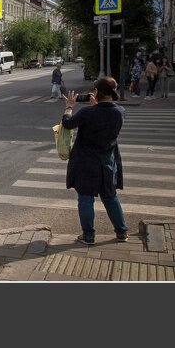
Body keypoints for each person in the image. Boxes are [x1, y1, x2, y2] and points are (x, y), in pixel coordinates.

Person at [61, 76, 128, 245]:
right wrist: (96, 107)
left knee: (85, 198)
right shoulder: (119, 112)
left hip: (86, 162)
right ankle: (121, 231)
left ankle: (89, 235)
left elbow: (67, 124)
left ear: (97, 92)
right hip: (107, 161)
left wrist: (69, 107)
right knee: (110, 196)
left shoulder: (87, 113)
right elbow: (103, 117)